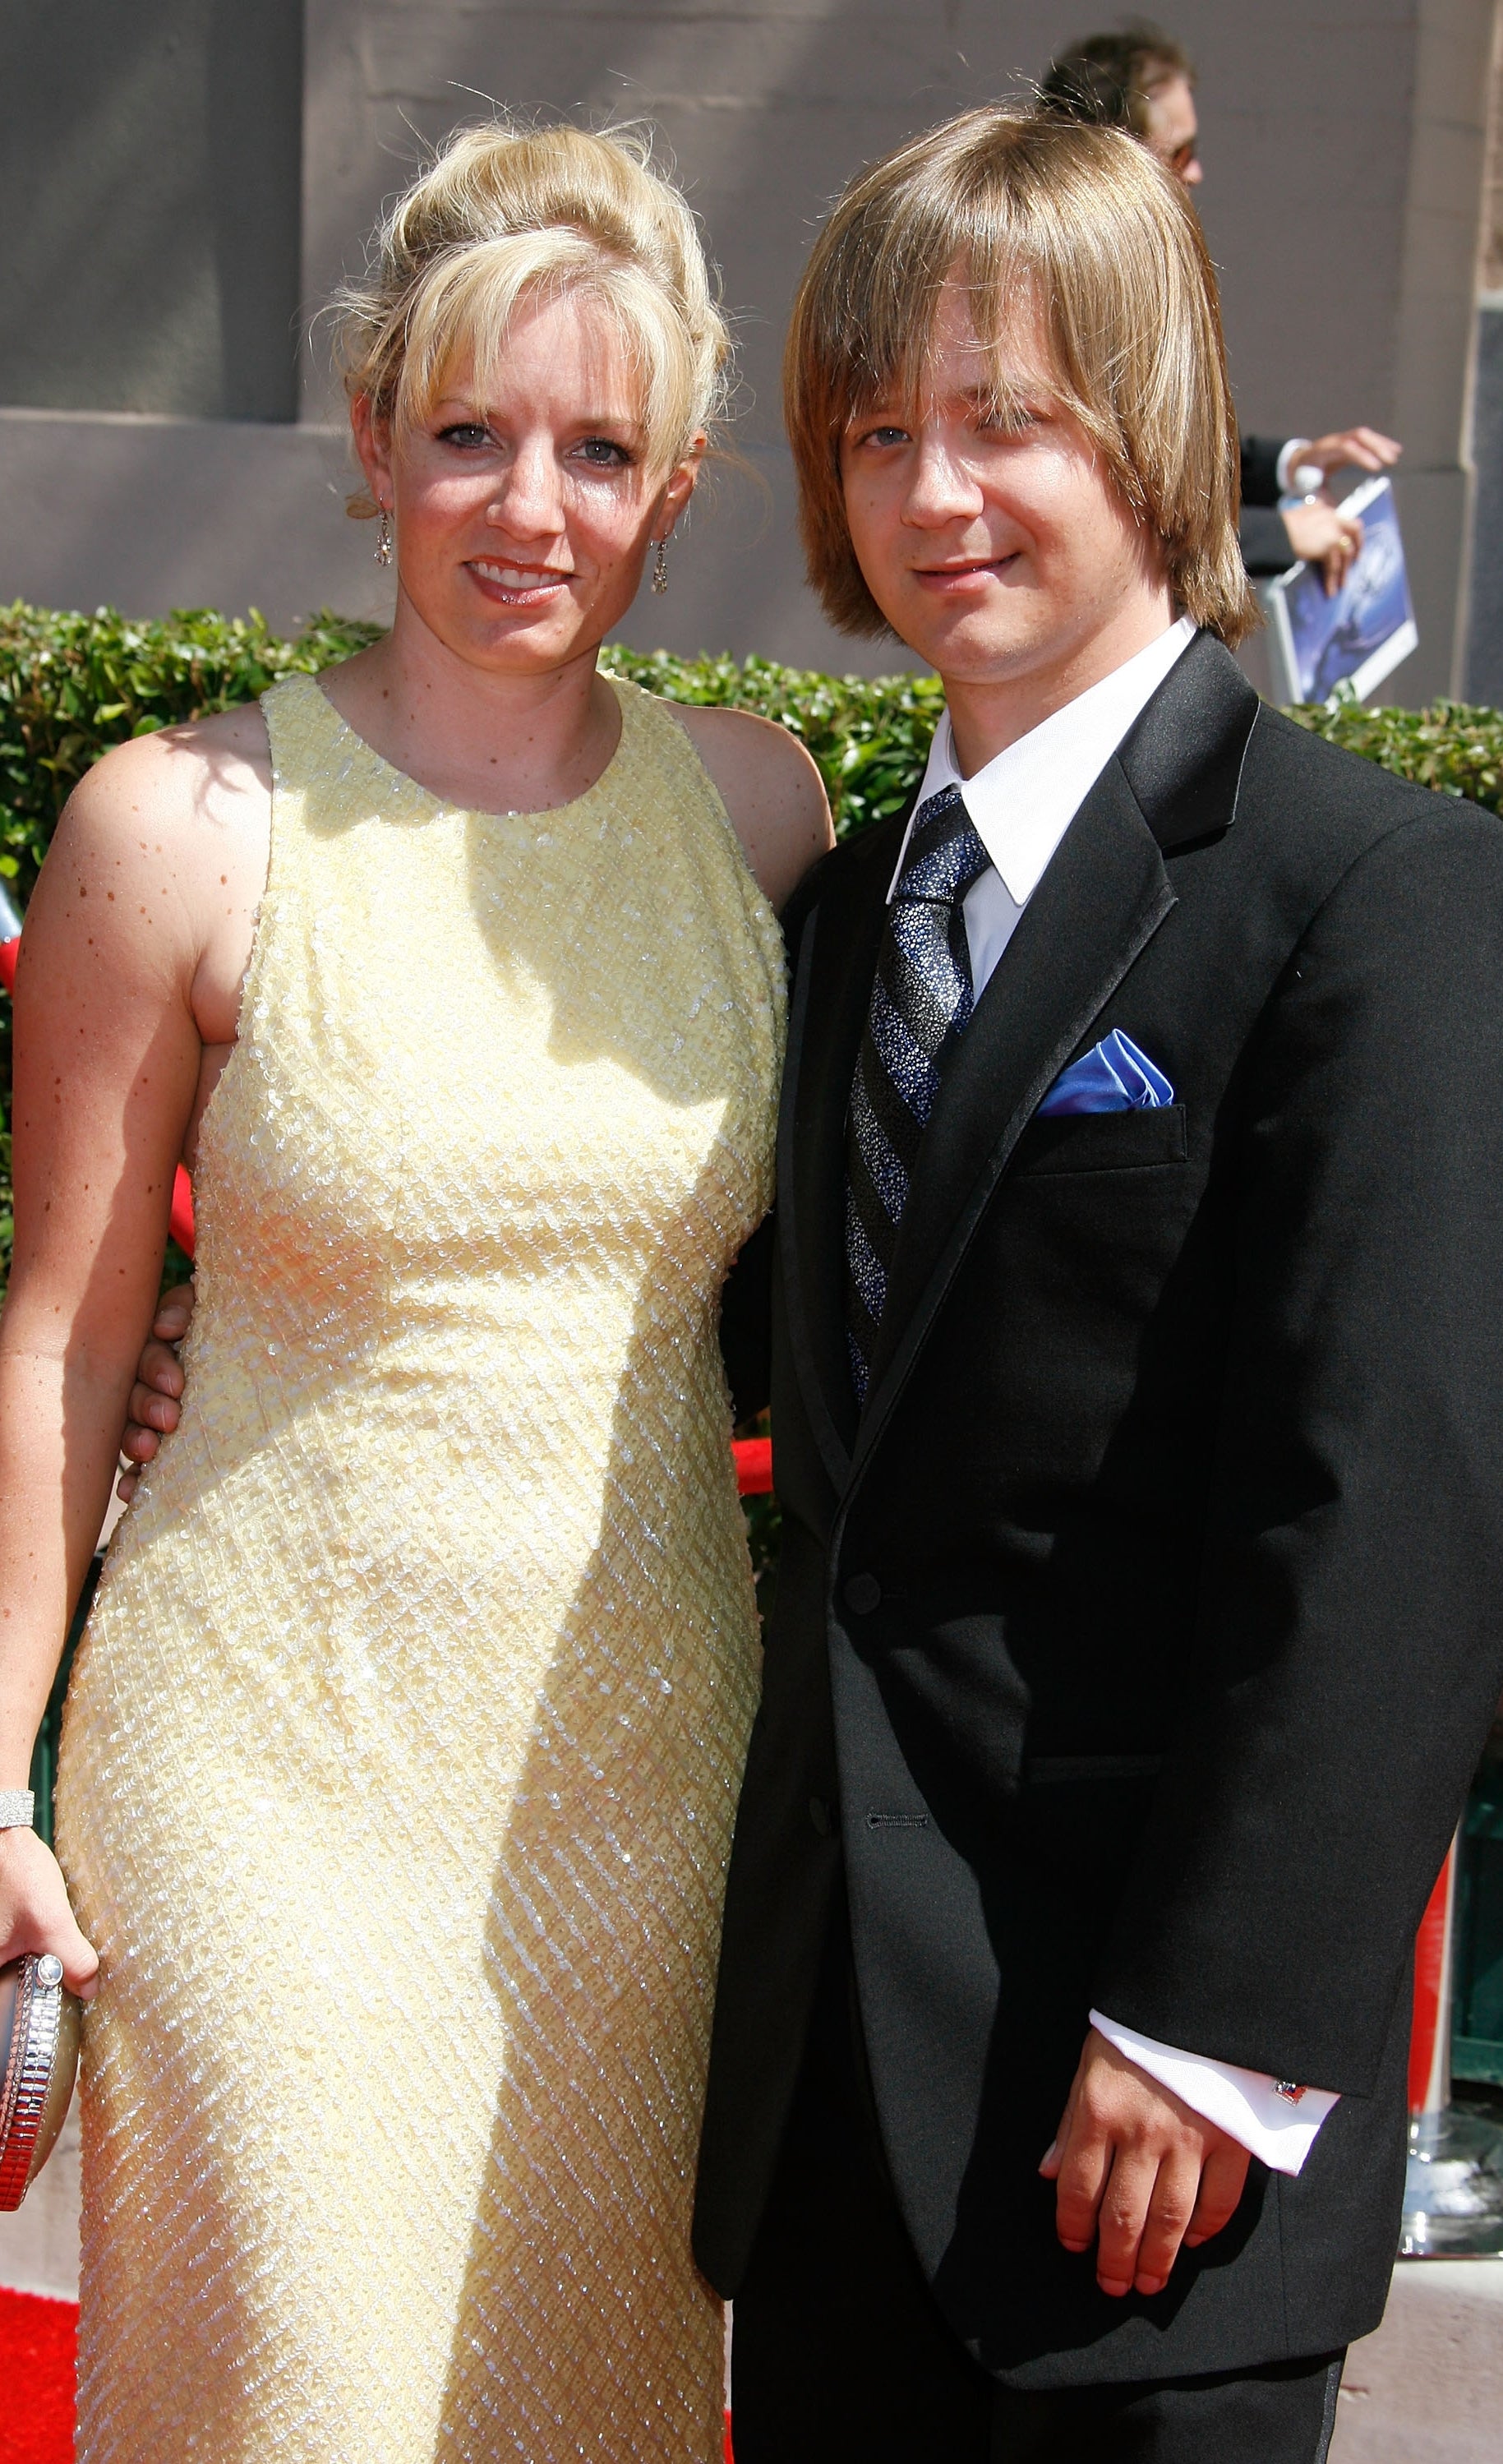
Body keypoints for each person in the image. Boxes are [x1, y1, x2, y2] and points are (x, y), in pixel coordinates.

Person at [677, 108, 1503, 2462]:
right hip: (830, 2097)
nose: (933, 491)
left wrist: (1213, 2021)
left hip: (1144, 2121)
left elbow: (1391, 1514)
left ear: (1145, 423)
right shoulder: (852, 914)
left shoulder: (1374, 894)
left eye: (1005, 419)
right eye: (876, 434)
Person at [0, 122, 829, 2463]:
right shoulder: (178, 831)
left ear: (677, 487)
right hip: (257, 1768)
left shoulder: (761, 817)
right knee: (299, 2394)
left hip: (640, 1780)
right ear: (372, 441)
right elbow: (62, 1337)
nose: (527, 505)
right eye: (468, 430)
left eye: (599, 449)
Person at [1040, 21, 1403, 596]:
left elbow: (1166, 458)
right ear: (1115, 156)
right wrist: (1279, 534)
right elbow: (1112, 508)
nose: (1195, 172)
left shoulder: (1133, 270)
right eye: (1180, 152)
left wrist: (1291, 466)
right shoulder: (1059, 291)